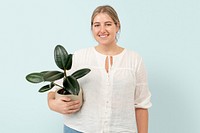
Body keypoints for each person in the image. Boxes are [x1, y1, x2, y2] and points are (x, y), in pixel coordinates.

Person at [48, 5, 152, 133]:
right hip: (79, 129)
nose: (102, 30)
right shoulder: (79, 57)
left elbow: (141, 105)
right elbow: (54, 91)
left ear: (117, 26)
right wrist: (53, 104)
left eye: (108, 24)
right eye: (97, 25)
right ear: (92, 28)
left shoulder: (134, 59)